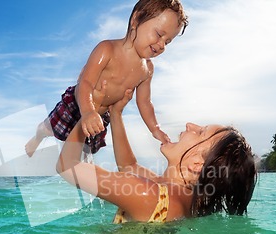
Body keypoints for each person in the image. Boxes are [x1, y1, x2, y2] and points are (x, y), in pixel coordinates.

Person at [56, 87, 257, 222]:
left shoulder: (150, 194)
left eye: (200, 132)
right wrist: (115, 113)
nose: (189, 125)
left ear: (196, 165)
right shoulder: (189, 200)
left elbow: (67, 167)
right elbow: (130, 167)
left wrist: (92, 110)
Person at [25, 0, 189, 157]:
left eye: (168, 42)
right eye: (159, 34)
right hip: (78, 104)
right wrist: (88, 110)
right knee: (49, 128)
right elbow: (86, 82)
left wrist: (155, 128)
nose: (161, 45)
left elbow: (144, 102)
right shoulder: (107, 49)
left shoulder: (147, 70)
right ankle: (37, 137)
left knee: (82, 153)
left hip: (101, 116)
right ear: (136, 19)